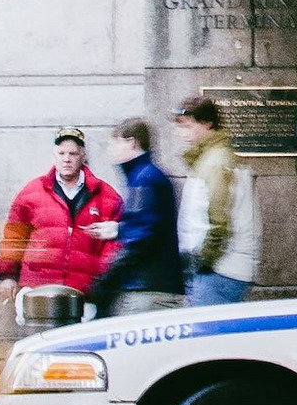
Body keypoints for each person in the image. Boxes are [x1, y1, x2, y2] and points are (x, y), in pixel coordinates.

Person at [0, 128, 123, 303]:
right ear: (54, 155)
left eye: (73, 153)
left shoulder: (106, 196)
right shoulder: (31, 192)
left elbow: (115, 246)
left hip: (84, 297)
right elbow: (14, 237)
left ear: (83, 156)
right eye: (61, 153)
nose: (67, 159)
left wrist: (100, 281)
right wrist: (8, 276)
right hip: (38, 292)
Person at [87, 117, 184, 316]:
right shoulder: (148, 176)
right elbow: (148, 226)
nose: (110, 149)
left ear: (132, 142)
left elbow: (140, 239)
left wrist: (106, 280)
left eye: (115, 142)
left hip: (147, 289)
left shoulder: (144, 179)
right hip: (155, 286)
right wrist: (118, 229)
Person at [172, 96, 262, 306]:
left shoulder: (216, 163)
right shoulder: (212, 159)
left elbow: (219, 221)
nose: (182, 133)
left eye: (187, 126)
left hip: (220, 270)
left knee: (203, 336)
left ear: (207, 123)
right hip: (222, 268)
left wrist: (203, 260)